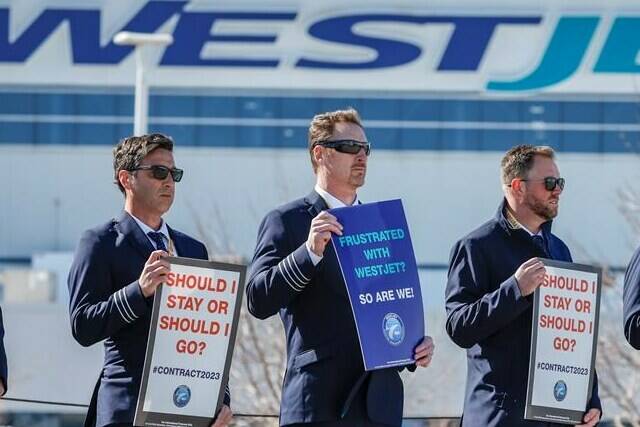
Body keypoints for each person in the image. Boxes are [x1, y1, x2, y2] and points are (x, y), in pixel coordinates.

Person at [246, 108, 435, 427]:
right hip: (318, 403)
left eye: (366, 149)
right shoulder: (288, 221)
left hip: (378, 407)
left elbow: (385, 310)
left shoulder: (380, 226)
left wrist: (413, 346)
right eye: (349, 147)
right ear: (320, 154)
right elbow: (257, 299)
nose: (361, 156)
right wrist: (308, 253)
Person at [67, 133, 232, 427]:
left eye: (174, 173)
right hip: (127, 407)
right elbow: (83, 325)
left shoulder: (194, 249)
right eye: (158, 172)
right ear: (126, 178)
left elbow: (210, 334)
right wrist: (139, 291)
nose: (169, 181)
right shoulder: (100, 242)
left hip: (185, 406)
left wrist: (220, 401)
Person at [445, 144, 601, 426]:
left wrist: (589, 398)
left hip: (554, 415)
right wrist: (514, 289)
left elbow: (573, 333)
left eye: (560, 182)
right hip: (499, 416)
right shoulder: (476, 246)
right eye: (550, 183)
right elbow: (458, 327)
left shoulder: (559, 250)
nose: (558, 190)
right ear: (517, 187)